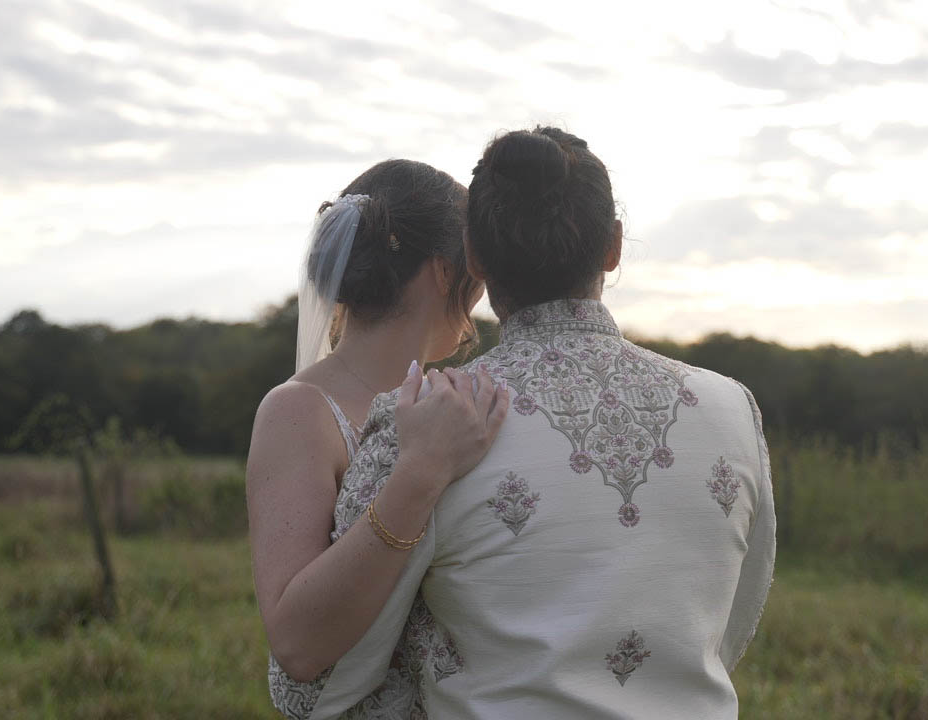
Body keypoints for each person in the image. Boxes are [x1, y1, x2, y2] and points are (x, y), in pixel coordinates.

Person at [301, 127, 777, 719]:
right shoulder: (733, 408)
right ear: (614, 246)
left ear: (473, 255)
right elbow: (731, 623)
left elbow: (325, 676)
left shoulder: (422, 421)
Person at [246, 159, 510, 719]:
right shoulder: (299, 411)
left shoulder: (459, 401)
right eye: (477, 266)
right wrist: (420, 472)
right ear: (444, 271)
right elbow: (297, 644)